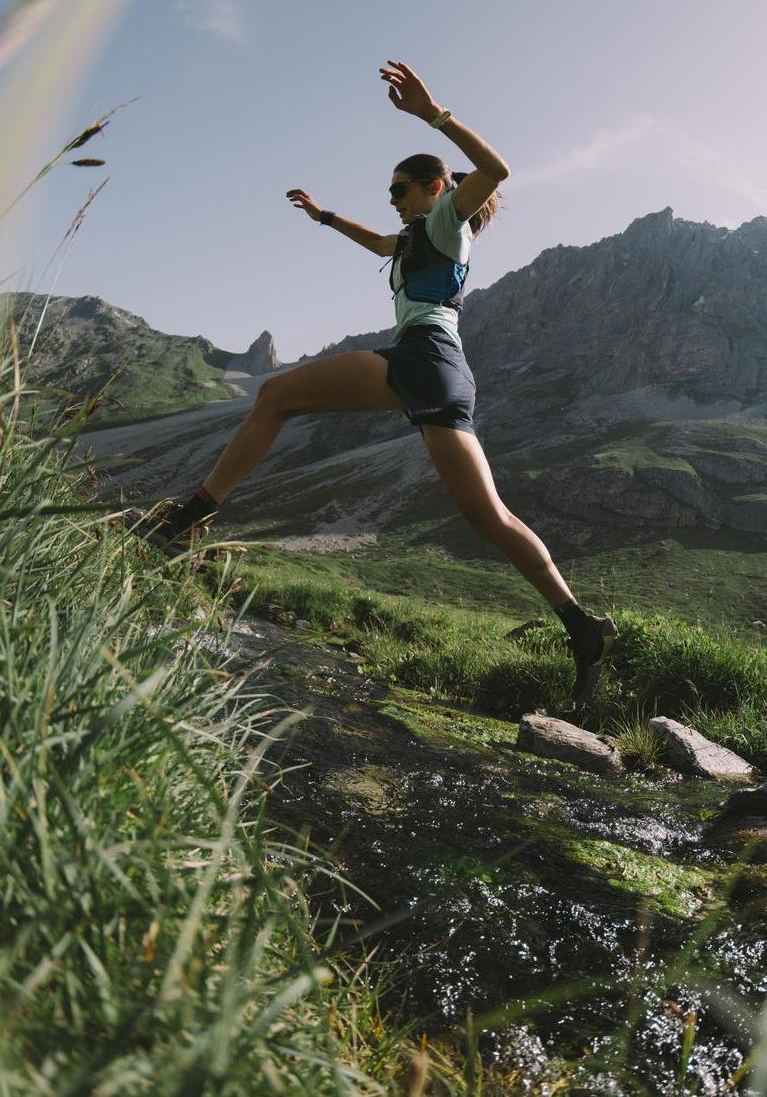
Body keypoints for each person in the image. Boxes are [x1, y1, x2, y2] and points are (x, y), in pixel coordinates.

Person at [138, 60, 616, 702]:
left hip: (424, 357)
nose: (392, 199)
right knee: (489, 517)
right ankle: (582, 627)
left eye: (399, 189)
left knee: (275, 396)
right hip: (443, 376)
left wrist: (432, 113)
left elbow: (497, 171)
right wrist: (326, 217)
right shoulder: (418, 233)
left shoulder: (449, 217)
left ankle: (186, 520)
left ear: (434, 184)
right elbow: (381, 246)